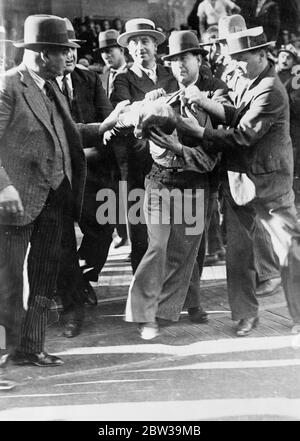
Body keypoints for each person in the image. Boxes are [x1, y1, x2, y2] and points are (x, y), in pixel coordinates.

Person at [0, 15, 125, 376]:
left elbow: (69, 132)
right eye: (63, 52)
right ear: (42, 54)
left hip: (54, 197)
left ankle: (31, 347)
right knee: (8, 278)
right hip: (17, 201)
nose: (69, 58)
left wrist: (107, 124)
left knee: (43, 274)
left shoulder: (50, 88)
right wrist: (4, 186)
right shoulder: (10, 86)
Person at [175, 24, 300, 336]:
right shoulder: (246, 78)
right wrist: (205, 103)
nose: (234, 63)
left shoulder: (271, 88)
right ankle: (245, 315)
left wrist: (198, 131)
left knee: (291, 251)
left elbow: (244, 134)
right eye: (232, 58)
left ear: (261, 54)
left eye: (240, 58)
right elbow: (236, 115)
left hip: (271, 185)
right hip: (240, 181)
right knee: (240, 254)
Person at [125, 30, 229, 339]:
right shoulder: (163, 92)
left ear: (198, 58)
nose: (179, 65)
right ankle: (146, 315)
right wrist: (144, 112)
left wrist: (176, 148)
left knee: (184, 253)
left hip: (196, 185)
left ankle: (175, 308)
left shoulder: (216, 94)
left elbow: (210, 156)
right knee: (156, 247)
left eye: (185, 58)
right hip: (159, 182)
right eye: (173, 60)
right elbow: (138, 132)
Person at [54, 18, 115, 338]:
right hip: (59, 176)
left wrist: (92, 151)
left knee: (103, 231)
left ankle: (84, 278)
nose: (69, 56)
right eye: (63, 50)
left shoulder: (89, 79)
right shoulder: (43, 85)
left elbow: (107, 123)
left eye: (73, 49)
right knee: (63, 239)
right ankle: (73, 303)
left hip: (93, 171)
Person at [110, 19, 178, 273]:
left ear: (156, 46)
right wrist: (145, 104)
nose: (140, 47)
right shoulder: (122, 79)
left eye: (145, 41)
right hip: (137, 163)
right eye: (134, 42)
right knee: (139, 227)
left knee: (172, 225)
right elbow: (122, 113)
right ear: (128, 49)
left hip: (169, 159)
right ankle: (142, 285)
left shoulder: (171, 75)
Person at [97, 29, 129, 248]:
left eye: (111, 50)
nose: (107, 56)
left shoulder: (131, 75)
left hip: (128, 143)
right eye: (103, 52)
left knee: (131, 190)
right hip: (108, 143)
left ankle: (133, 237)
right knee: (114, 190)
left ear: (122, 50)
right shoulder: (102, 75)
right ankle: (121, 232)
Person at [276, 44, 300, 178]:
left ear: (294, 61)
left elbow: (296, 101)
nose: (285, 60)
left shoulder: (296, 77)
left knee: (292, 150)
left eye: (289, 57)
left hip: (290, 120)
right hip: (276, 119)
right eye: (282, 56)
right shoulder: (274, 73)